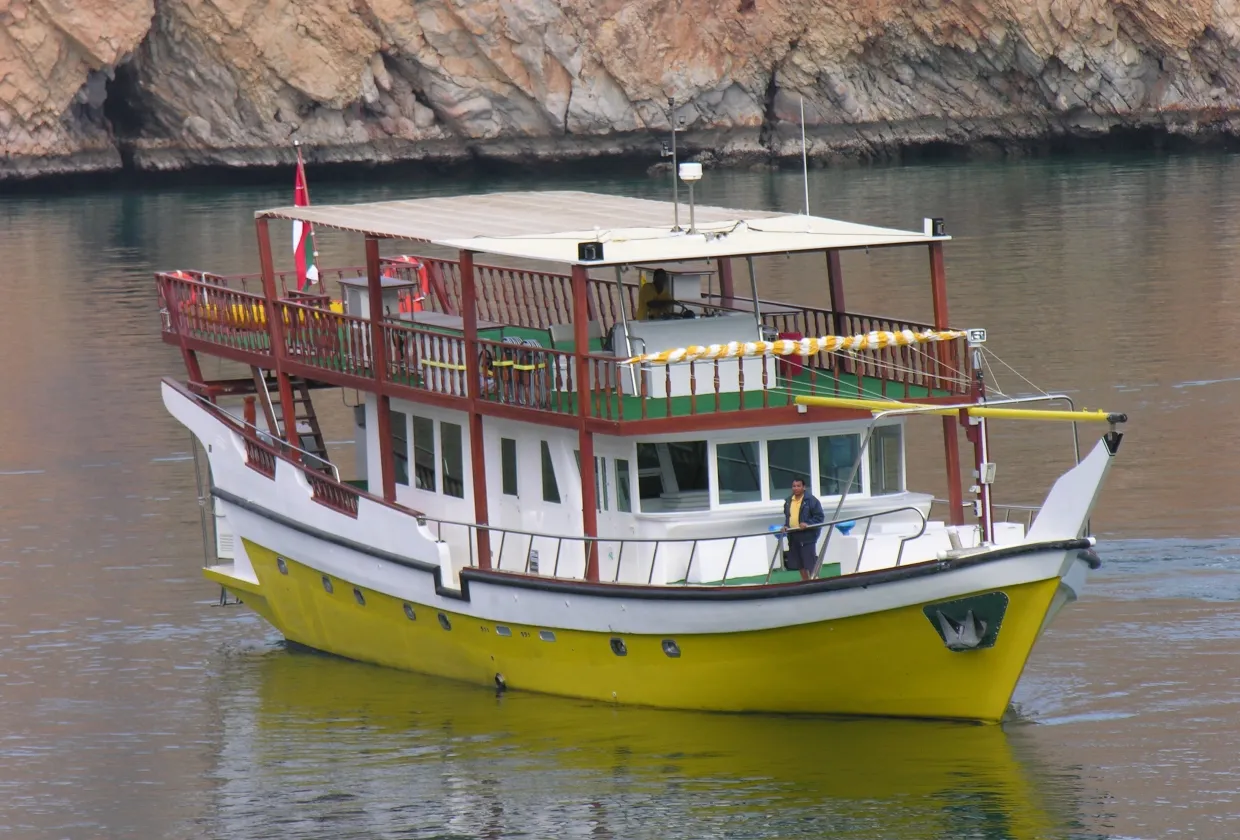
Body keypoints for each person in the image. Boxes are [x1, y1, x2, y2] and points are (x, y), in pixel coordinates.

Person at [782, 477, 825, 580]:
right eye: (794, 486)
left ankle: (815, 580)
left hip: (807, 536)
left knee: (809, 561)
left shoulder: (812, 500)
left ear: (804, 487)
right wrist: (785, 526)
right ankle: (805, 582)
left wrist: (807, 524)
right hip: (793, 535)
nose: (796, 488)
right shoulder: (788, 501)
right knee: (799, 563)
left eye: (798, 486)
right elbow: (789, 517)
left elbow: (819, 517)